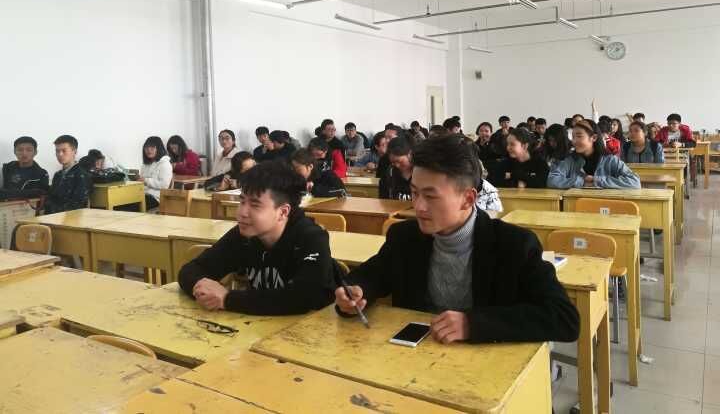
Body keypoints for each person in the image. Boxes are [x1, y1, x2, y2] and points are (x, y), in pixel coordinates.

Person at [334, 134, 579, 344]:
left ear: (468, 199)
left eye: (431, 196)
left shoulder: (513, 245)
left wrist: (473, 324)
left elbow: (564, 318)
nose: (418, 206)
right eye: (414, 193)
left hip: (487, 366)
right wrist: (355, 292)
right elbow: (372, 275)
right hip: (418, 358)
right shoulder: (405, 237)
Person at [178, 160, 335, 315]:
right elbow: (191, 270)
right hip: (262, 326)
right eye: (242, 201)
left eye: (255, 205)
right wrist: (203, 288)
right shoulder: (244, 235)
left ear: (283, 212)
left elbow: (304, 297)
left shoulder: (311, 237)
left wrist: (227, 299)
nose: (242, 212)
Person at [547, 120, 640, 189]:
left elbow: (634, 182)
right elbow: (552, 180)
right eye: (573, 137)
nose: (574, 141)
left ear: (594, 137)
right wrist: (581, 182)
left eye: (579, 136)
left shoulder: (610, 160)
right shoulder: (570, 159)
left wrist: (597, 180)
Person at [44, 135, 91, 214]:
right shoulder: (58, 175)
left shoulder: (82, 175)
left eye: (64, 150)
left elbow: (78, 204)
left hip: (73, 217)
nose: (60, 154)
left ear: (74, 151)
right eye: (57, 151)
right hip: (54, 217)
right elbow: (51, 198)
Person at [138, 136, 173, 210]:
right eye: (146, 148)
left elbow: (164, 185)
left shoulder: (165, 164)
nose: (149, 150)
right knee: (121, 203)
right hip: (142, 194)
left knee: (127, 207)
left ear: (159, 149)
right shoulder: (145, 165)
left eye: (152, 148)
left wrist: (146, 180)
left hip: (155, 198)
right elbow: (142, 182)